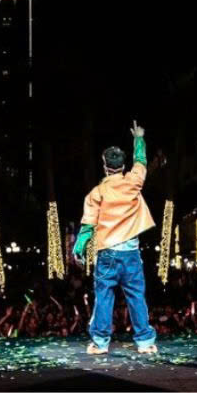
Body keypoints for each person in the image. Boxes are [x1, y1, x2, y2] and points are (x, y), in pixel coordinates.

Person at [71, 121, 157, 356]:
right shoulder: (133, 181)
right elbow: (141, 162)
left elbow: (88, 225)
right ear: (123, 166)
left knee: (104, 298)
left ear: (104, 166)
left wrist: (79, 248)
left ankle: (100, 343)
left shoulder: (96, 193)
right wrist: (138, 139)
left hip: (107, 253)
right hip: (131, 253)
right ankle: (145, 343)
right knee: (136, 297)